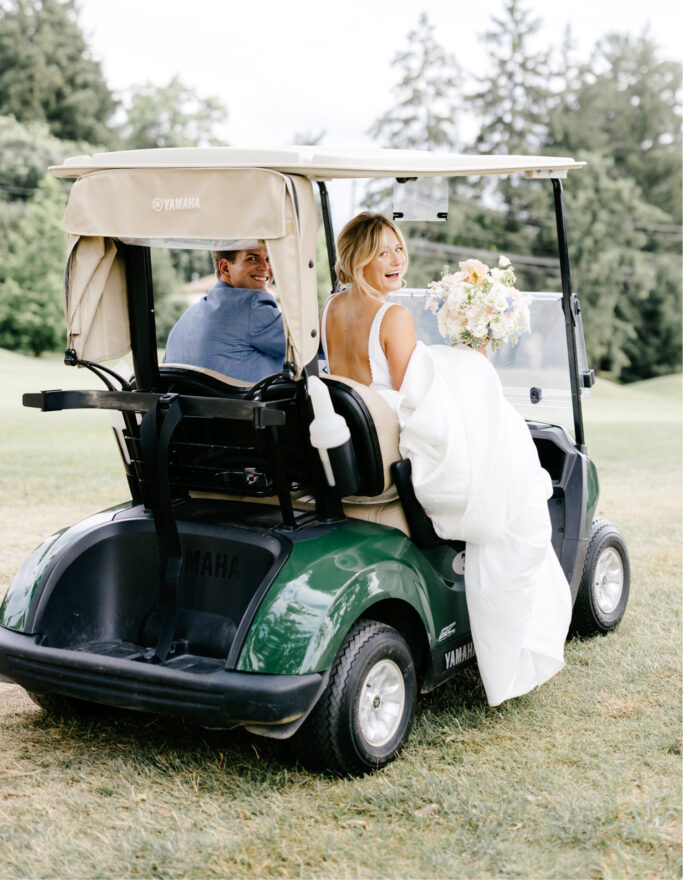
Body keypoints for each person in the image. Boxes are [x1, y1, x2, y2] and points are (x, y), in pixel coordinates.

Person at [322, 212, 572, 708]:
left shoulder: (330, 307)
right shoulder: (392, 316)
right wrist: (475, 361)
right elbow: (415, 389)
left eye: (399, 248)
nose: (396, 260)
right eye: (383, 252)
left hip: (360, 428)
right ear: (358, 260)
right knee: (503, 445)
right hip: (387, 432)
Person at [163, 244, 286, 382]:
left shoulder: (186, 318)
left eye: (268, 259)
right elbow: (306, 345)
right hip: (251, 403)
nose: (265, 267)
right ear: (225, 268)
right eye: (252, 258)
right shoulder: (252, 305)